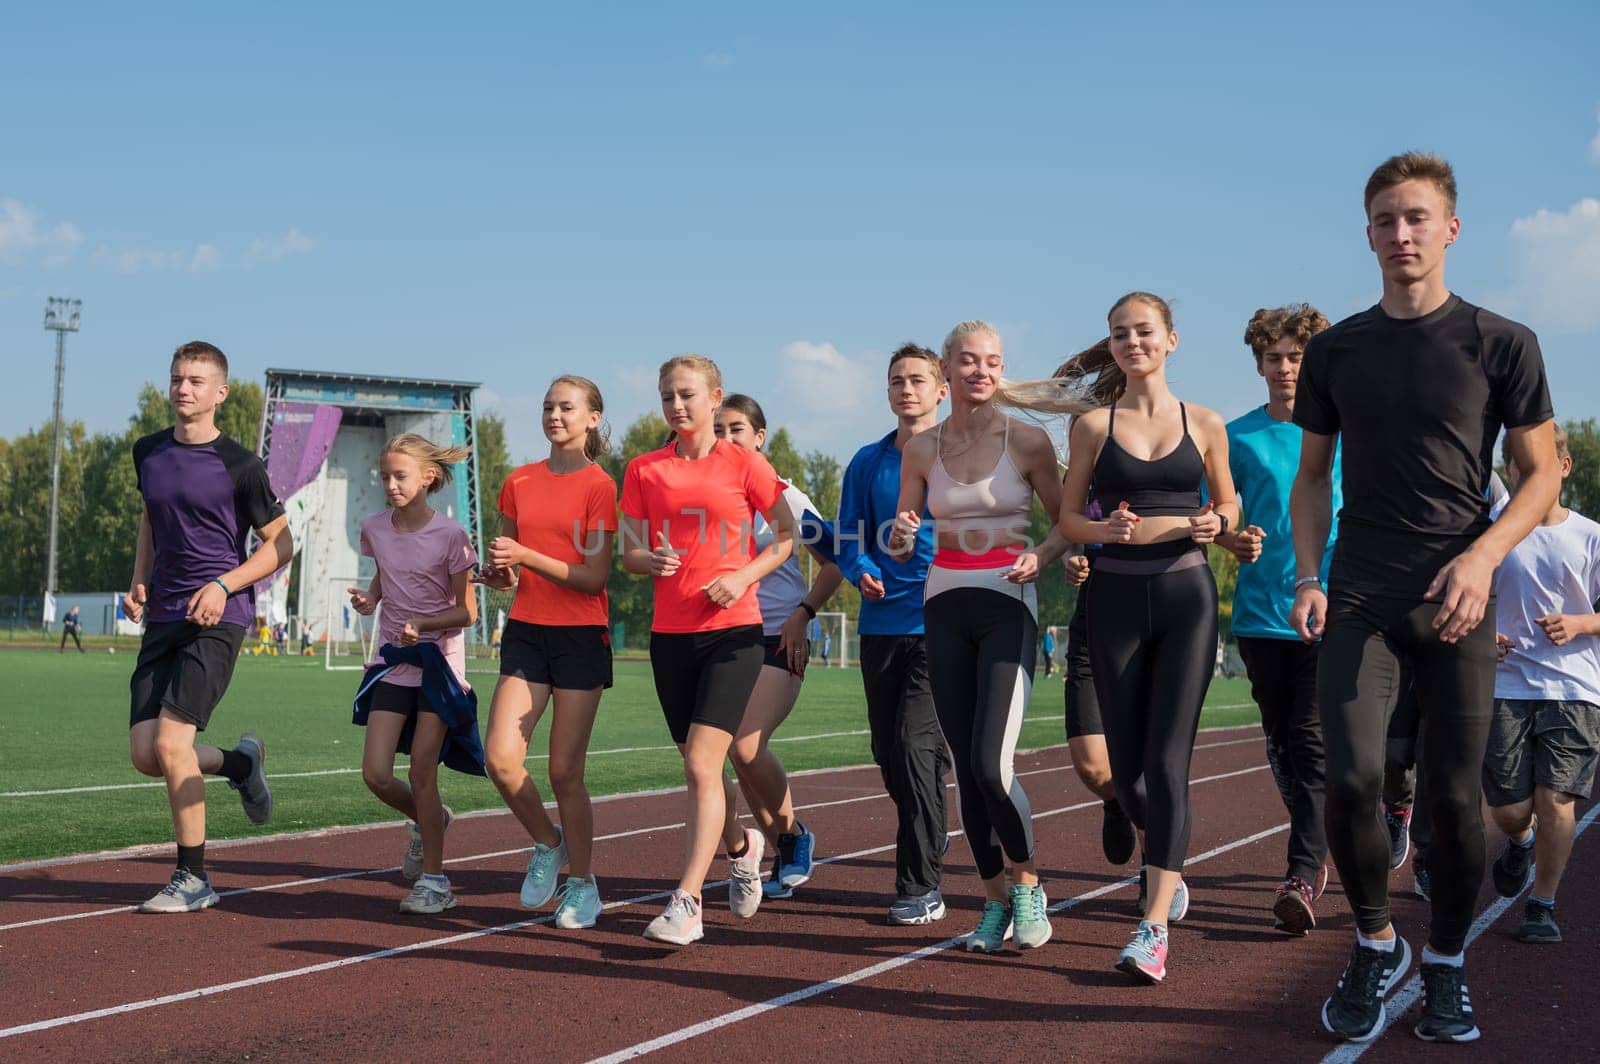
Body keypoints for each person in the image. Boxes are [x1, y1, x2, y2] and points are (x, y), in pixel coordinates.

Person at [1289, 152, 1560, 1044]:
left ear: (1449, 228)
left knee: (1451, 801)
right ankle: (1374, 944)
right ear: (1365, 233)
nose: (1399, 235)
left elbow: (1538, 474)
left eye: (1415, 219)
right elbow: (1313, 475)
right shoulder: (1336, 350)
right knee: (1353, 778)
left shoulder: (1502, 341)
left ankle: (1444, 962)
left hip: (1459, 596)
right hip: (1360, 590)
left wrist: (1483, 557)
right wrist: (1305, 573)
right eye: (1383, 221)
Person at [1056, 293, 1238, 983]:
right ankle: (1165, 855)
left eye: (1144, 332)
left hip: (1187, 596)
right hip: (1115, 597)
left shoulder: (1206, 422)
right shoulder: (1092, 427)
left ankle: (1153, 925)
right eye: (1119, 334)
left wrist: (1218, 523)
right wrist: (1104, 533)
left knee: (1167, 766)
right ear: (1111, 346)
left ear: (1171, 340)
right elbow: (1071, 517)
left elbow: (1227, 501)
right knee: (1128, 775)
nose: (1132, 342)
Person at [889, 320, 1070, 955]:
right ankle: (993, 903)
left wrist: (1043, 557)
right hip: (942, 606)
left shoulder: (1027, 440)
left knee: (994, 764)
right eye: (967, 361)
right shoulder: (920, 451)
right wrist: (902, 535)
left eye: (991, 361)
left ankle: (1028, 885)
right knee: (967, 772)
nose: (981, 371)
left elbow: (1067, 522)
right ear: (946, 370)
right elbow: (900, 534)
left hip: (1006, 607)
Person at [619, 354, 797, 945]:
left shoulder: (745, 462)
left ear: (714, 397)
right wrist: (650, 560)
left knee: (701, 764)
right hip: (670, 638)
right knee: (701, 768)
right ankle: (742, 848)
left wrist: (743, 577)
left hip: (734, 634)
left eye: (688, 394)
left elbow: (787, 540)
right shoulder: (644, 470)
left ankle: (687, 901)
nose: (676, 405)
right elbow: (629, 554)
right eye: (667, 395)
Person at [123, 341, 291, 913]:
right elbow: (150, 518)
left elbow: (281, 546)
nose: (183, 388)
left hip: (220, 618)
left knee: (174, 744)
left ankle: (193, 878)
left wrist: (223, 585)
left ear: (220, 393)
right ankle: (242, 764)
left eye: (196, 380)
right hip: (163, 614)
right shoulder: (147, 452)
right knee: (148, 754)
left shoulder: (241, 464)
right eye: (176, 378)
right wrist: (139, 579)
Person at [476, 376, 616, 930]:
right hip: (527, 630)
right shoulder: (519, 481)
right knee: (501, 759)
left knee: (564, 771)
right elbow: (512, 573)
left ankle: (584, 884)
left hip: (581, 635)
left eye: (567, 407)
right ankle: (547, 842)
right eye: (548, 407)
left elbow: (592, 578)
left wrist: (525, 556)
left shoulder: (599, 485)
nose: (555, 415)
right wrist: (500, 574)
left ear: (592, 419)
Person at [1218, 304, 1337, 935]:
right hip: (1260, 614)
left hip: (1333, 607)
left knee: (1312, 739)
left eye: (1297, 357)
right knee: (1283, 742)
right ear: (1259, 363)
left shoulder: (1346, 433)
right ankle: (1318, 834)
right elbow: (1221, 514)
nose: (1286, 368)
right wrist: (1230, 540)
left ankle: (1302, 869)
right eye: (1275, 357)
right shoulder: (1237, 436)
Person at [835, 342, 953, 925]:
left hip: (941, 621)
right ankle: (934, 822)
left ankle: (920, 883)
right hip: (881, 624)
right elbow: (847, 534)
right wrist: (861, 571)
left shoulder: (961, 454)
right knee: (890, 752)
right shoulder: (867, 461)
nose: (906, 389)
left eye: (917, 380)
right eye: (896, 381)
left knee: (912, 744)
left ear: (942, 389)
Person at [714, 394, 842, 899]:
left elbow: (833, 562)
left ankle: (793, 836)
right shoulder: (705, 496)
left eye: (737, 429)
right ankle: (785, 841)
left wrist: (803, 615)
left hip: (778, 634)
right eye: (718, 429)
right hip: (722, 637)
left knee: (745, 745)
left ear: (760, 437)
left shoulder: (785, 497)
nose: (725, 439)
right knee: (735, 753)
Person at [347, 433, 480, 915]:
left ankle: (436, 881)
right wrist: (371, 598)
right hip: (392, 661)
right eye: (384, 476)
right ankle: (433, 821)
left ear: (427, 477)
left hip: (438, 664)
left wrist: (424, 624)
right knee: (376, 774)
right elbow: (385, 572)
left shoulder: (451, 536)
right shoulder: (374, 527)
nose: (390, 484)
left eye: (399, 476)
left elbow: (468, 613)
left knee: (421, 771)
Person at [1486, 425, 1600, 944]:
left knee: (1557, 800)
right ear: (1509, 471)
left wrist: (1581, 623)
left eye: (1539, 461)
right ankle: (1521, 841)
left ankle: (1542, 903)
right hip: (1507, 683)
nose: (1527, 470)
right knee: (1509, 809)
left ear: (1564, 466)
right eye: (1516, 462)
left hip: (1574, 689)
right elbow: (1467, 595)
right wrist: (1484, 634)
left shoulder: (1589, 535)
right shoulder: (1492, 531)